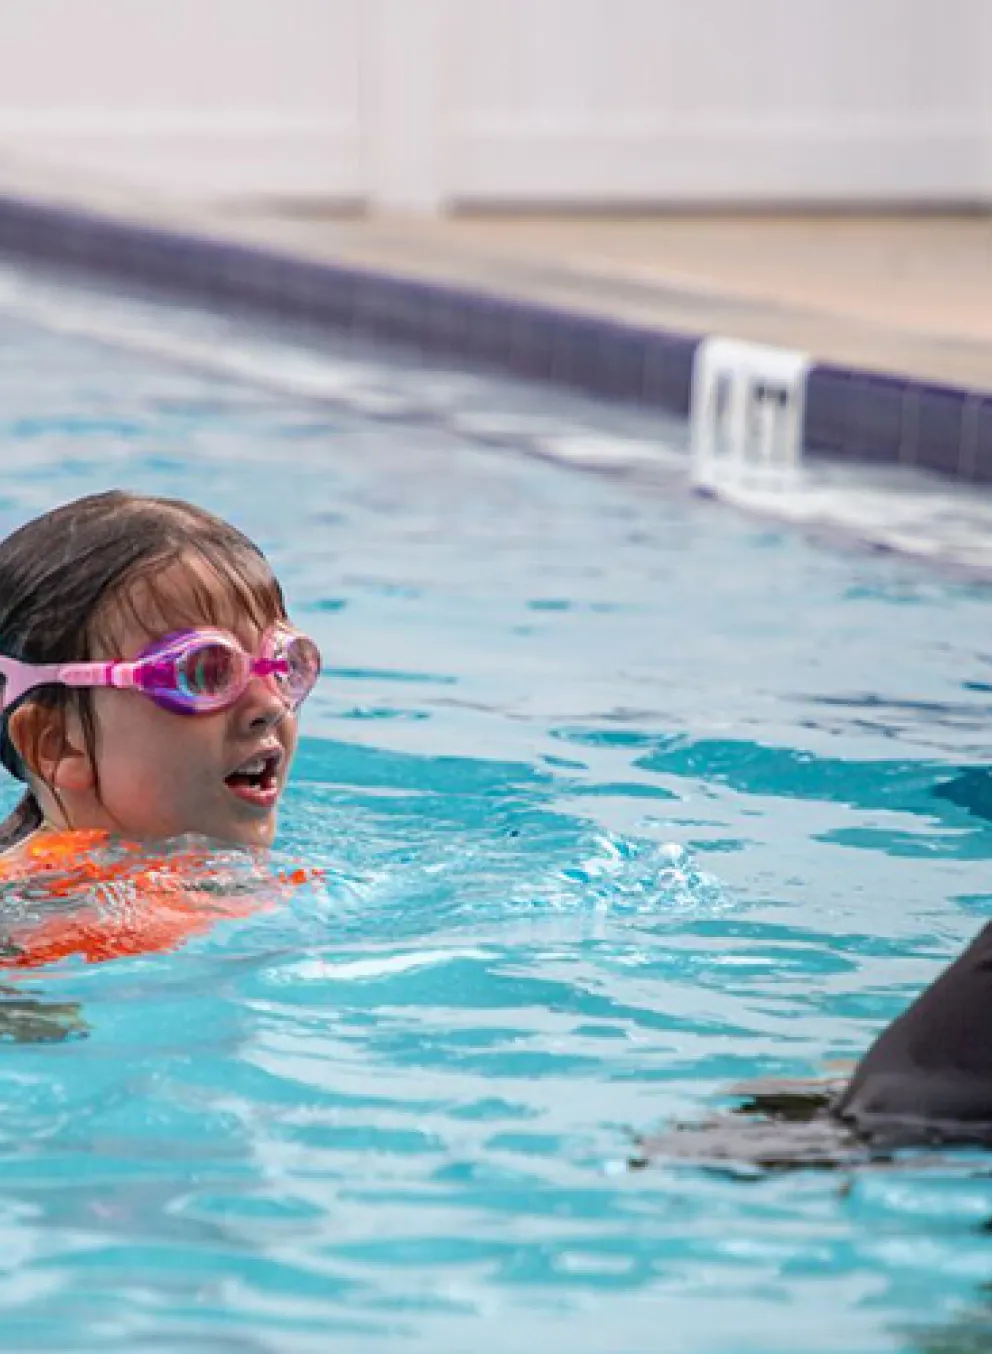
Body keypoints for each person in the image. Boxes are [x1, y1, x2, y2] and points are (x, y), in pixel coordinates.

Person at [0, 489, 322, 966]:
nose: (270, 705)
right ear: (58, 744)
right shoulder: (37, 914)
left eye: (284, 665)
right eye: (204, 672)